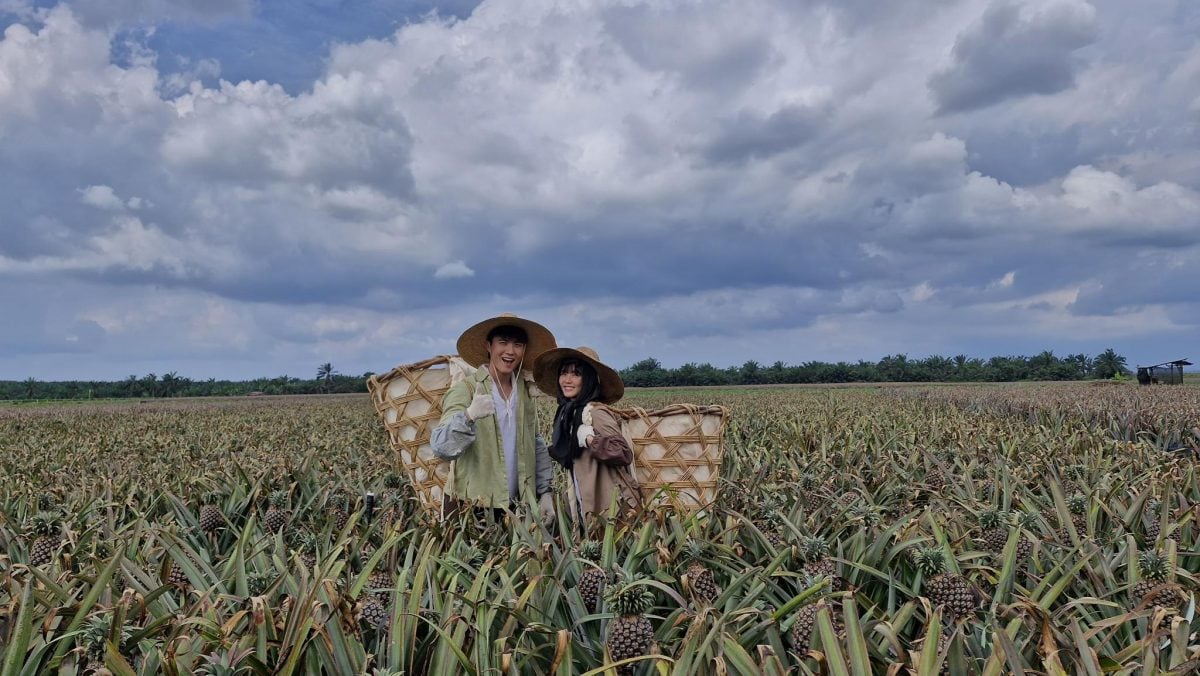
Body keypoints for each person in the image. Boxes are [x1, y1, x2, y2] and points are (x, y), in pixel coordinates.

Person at [431, 313, 557, 525]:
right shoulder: (467, 389)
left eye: (518, 344)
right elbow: (440, 447)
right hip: (470, 504)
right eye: (503, 342)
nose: (510, 351)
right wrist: (469, 415)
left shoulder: (524, 392)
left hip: (515, 504)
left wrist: (545, 492)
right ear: (488, 346)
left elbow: (535, 442)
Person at [533, 346, 641, 532]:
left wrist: (591, 440)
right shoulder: (569, 413)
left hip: (611, 510)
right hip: (585, 503)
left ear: (589, 379)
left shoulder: (596, 412)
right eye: (564, 372)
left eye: (576, 374)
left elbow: (622, 452)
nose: (567, 380)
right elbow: (567, 452)